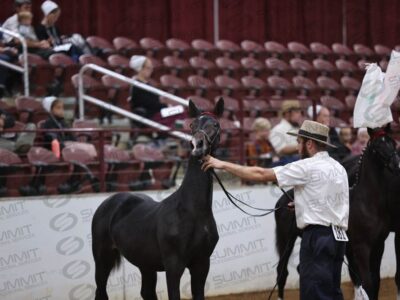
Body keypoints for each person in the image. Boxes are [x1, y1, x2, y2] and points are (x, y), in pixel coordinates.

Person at [202, 120, 349, 300]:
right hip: (339, 238)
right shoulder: (338, 168)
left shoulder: (307, 167)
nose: (297, 147)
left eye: (299, 142)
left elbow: (261, 174)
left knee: (315, 293)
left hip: (317, 238)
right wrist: (305, 203)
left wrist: (222, 164)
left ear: (309, 144)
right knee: (333, 292)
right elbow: (337, 201)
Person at [129, 55, 185, 127]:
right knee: (178, 112)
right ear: (140, 69)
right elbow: (149, 103)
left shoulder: (147, 83)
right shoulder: (137, 85)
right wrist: (166, 106)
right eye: (148, 68)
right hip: (150, 114)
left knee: (181, 110)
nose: (151, 70)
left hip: (157, 111)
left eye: (151, 68)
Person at [269, 100, 302, 164]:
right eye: (297, 112)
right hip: (285, 164)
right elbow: (281, 150)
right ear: (287, 113)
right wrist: (303, 146)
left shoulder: (297, 128)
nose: (300, 115)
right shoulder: (277, 129)